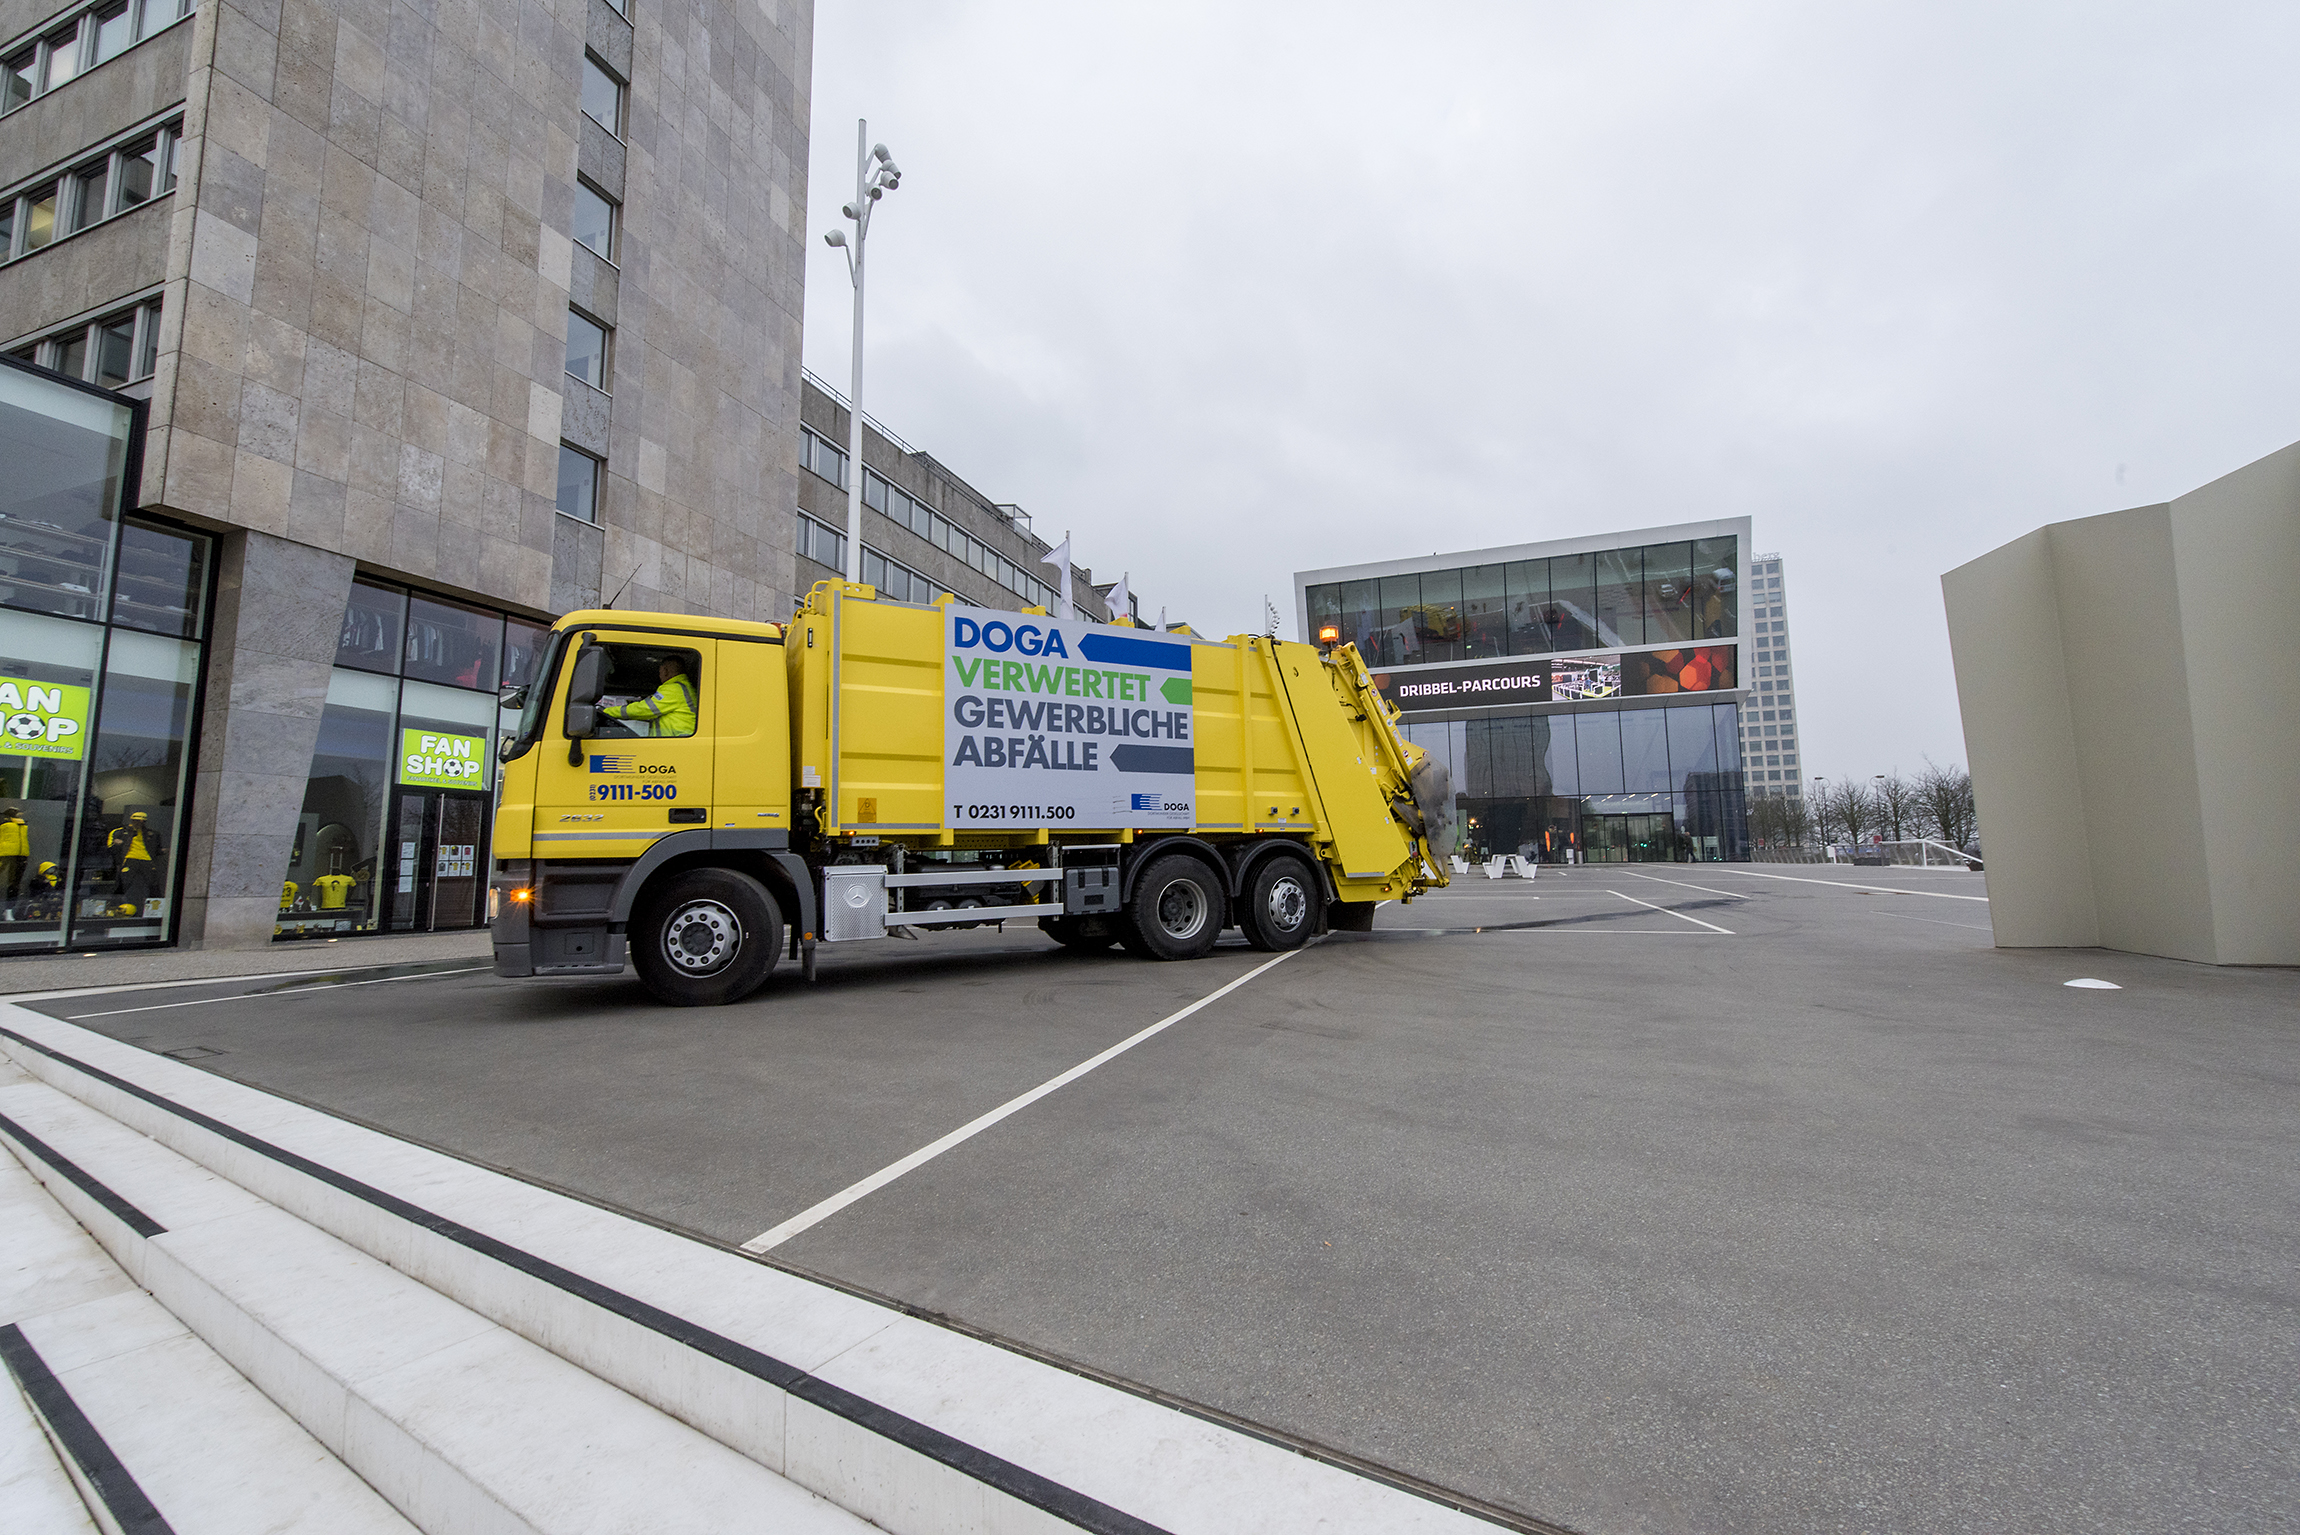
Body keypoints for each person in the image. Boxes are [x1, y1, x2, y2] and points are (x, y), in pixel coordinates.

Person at [600, 657, 697, 739]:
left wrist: (607, 712)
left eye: (660, 672)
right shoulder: (683, 688)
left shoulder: (674, 689)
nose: (659, 676)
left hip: (677, 743)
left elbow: (645, 709)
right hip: (676, 742)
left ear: (665, 671)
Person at [108, 810, 165, 912]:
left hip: (147, 859)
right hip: (129, 859)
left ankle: (155, 910)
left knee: (153, 885)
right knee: (123, 884)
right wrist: (116, 844)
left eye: (142, 821)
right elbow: (109, 848)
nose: (139, 823)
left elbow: (157, 849)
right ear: (132, 820)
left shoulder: (152, 834)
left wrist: (163, 851)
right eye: (137, 820)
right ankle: (114, 908)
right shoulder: (119, 832)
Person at [0, 807, 27, 904]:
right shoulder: (4, 822)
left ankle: (10, 907)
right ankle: (9, 907)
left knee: (15, 882)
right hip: (8, 853)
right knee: (14, 882)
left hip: (19, 853)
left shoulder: (22, 824)